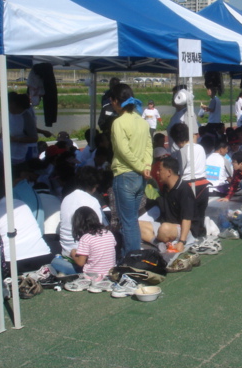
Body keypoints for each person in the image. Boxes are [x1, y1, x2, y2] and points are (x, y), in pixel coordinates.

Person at [110, 84, 153, 258]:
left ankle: (131, 258)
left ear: (116, 101)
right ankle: (134, 255)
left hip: (125, 174)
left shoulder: (118, 122)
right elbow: (149, 146)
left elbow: (123, 151)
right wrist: (147, 166)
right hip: (140, 177)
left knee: (127, 222)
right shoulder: (141, 121)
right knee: (132, 220)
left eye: (111, 100)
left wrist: (141, 167)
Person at [139, 156, 194, 251]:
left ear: (169, 172)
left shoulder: (184, 189)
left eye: (159, 170)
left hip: (183, 230)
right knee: (135, 225)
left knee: (164, 229)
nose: (157, 172)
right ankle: (158, 243)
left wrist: (182, 242)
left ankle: (163, 239)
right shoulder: (165, 187)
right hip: (166, 226)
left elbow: (187, 219)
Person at [170, 123, 209, 238]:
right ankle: (200, 233)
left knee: (188, 215)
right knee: (200, 215)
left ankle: (189, 236)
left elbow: (181, 171)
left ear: (176, 139)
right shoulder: (200, 147)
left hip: (189, 185)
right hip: (204, 184)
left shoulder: (182, 151)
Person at [67, 207, 116, 285]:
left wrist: (73, 253)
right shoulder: (109, 233)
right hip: (110, 273)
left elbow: (80, 263)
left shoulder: (86, 238)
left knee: (56, 262)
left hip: (92, 275)